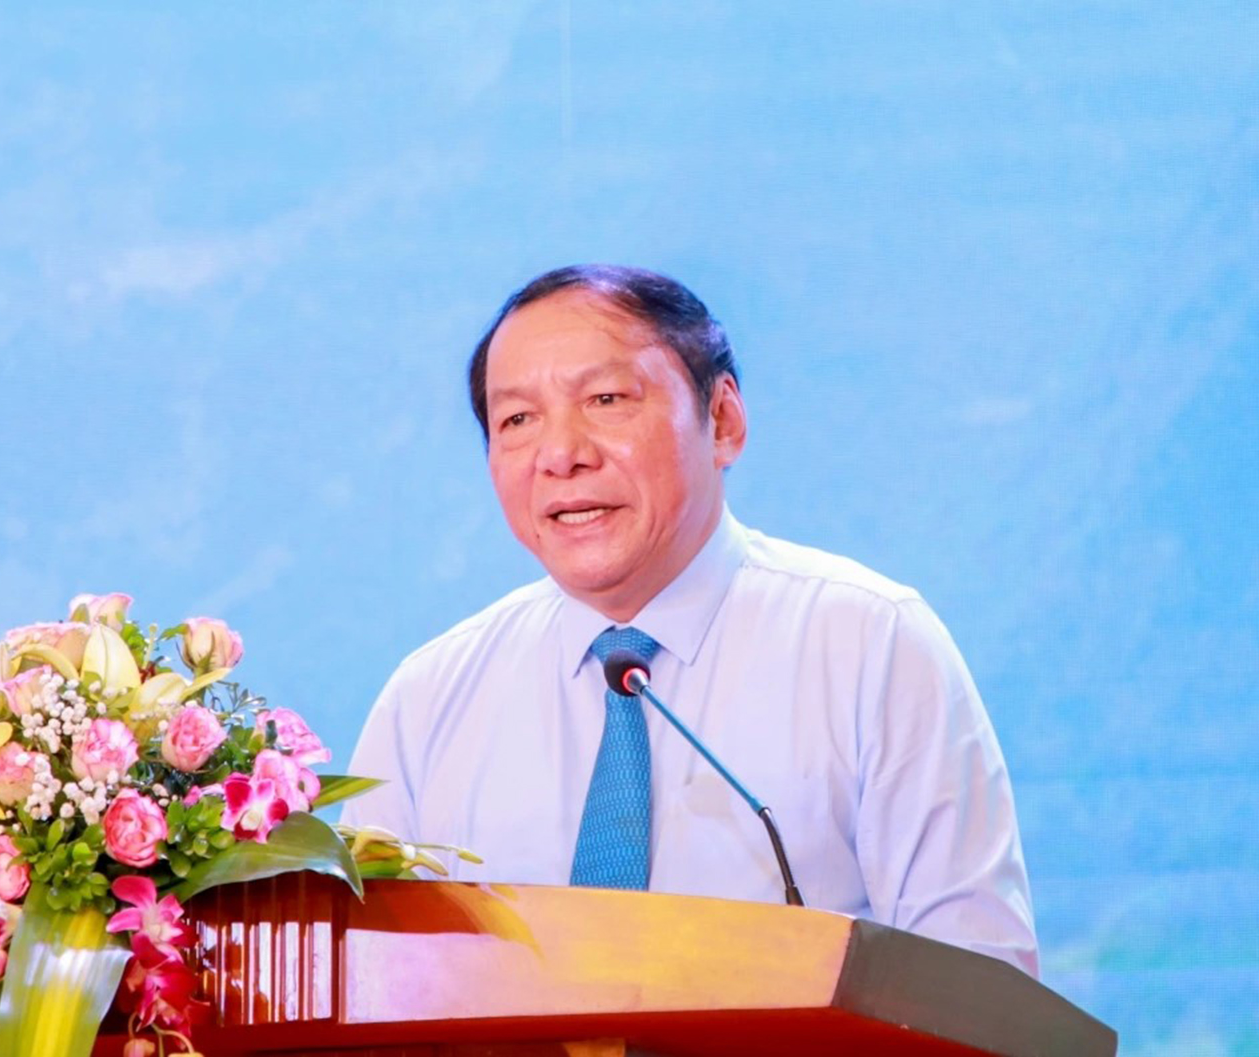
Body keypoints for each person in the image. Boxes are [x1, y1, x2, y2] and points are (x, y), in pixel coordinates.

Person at [340, 264, 1039, 976]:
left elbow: (979, 988)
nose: (561, 455)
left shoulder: (869, 645)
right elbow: (359, 985)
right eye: (517, 419)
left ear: (723, 421)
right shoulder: (430, 699)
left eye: (606, 399)